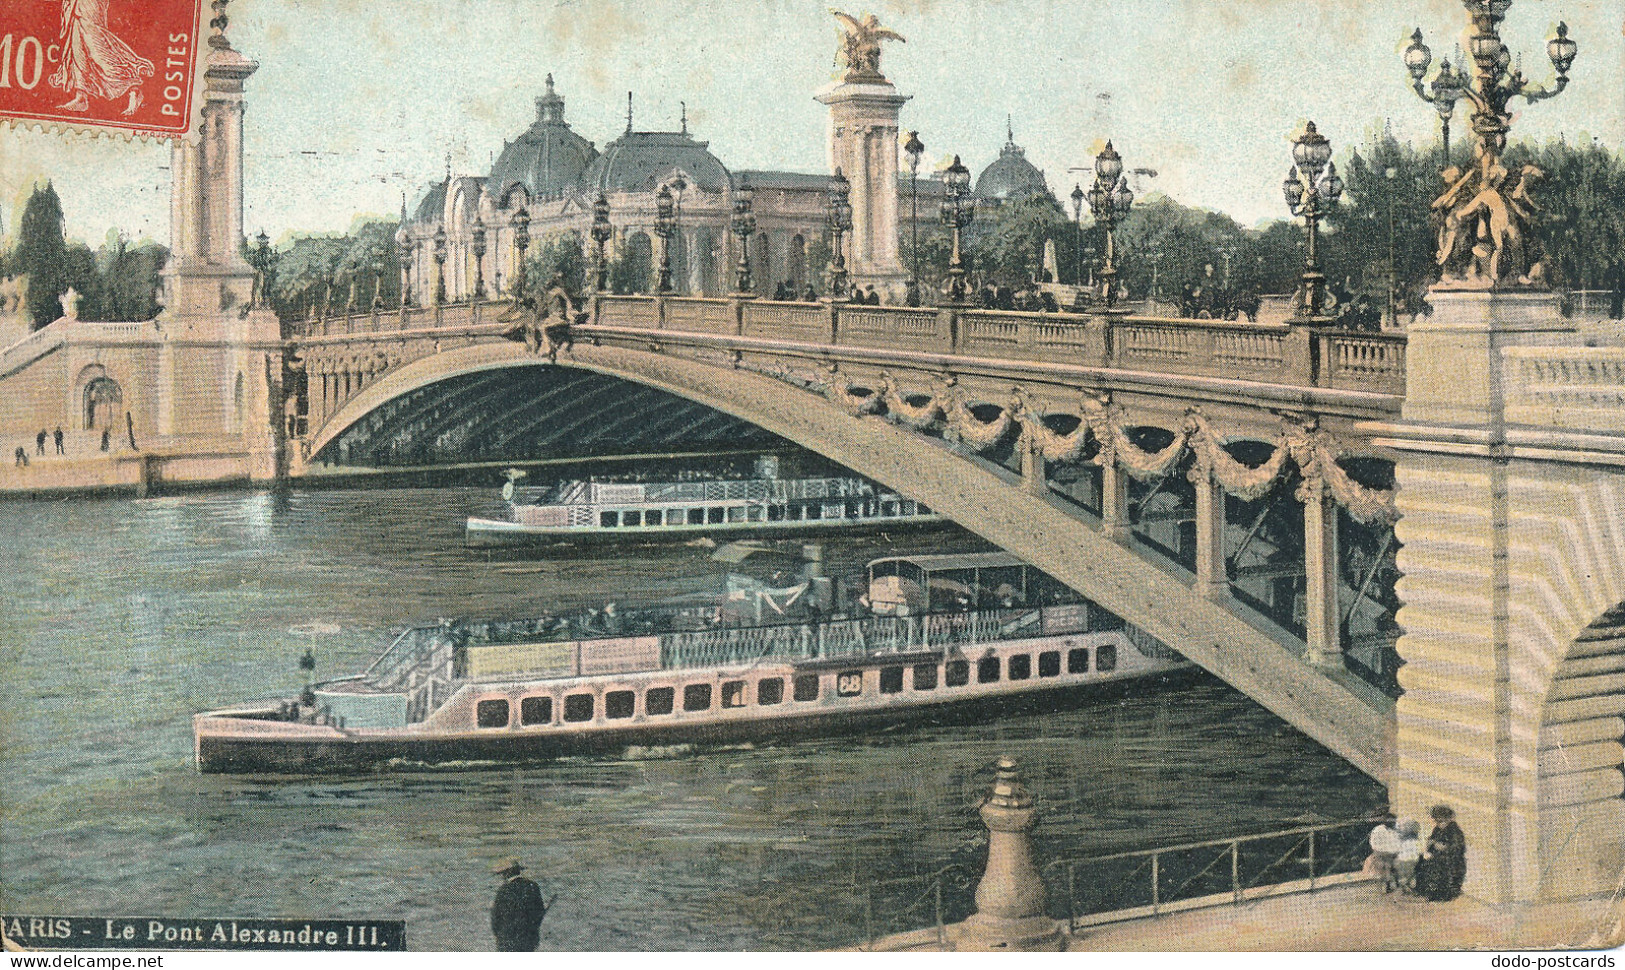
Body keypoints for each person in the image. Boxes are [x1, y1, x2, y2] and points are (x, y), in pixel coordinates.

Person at [490, 858, 547, 951]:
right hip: (528, 938)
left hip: (506, 940)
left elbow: (495, 919)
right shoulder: (532, 886)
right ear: (518, 871)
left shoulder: (503, 891)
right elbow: (539, 913)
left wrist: (500, 937)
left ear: (506, 874)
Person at [1414, 805, 1467, 901]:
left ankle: (1439, 893)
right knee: (1421, 860)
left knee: (1437, 865)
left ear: (1448, 820)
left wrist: (1444, 847)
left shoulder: (1455, 832)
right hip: (1438, 855)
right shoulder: (1437, 829)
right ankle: (1421, 889)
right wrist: (1429, 845)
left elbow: (1457, 849)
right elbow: (1432, 840)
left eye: (1441, 821)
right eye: (1437, 821)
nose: (1438, 824)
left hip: (1452, 860)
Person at [1367, 814, 1400, 892]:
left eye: (1394, 821)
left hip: (1393, 852)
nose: (1393, 823)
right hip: (1381, 852)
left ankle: (1397, 883)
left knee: (1395, 866)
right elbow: (1373, 842)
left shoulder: (1396, 830)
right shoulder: (1378, 830)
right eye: (1390, 821)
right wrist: (1378, 851)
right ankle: (1387, 885)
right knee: (1386, 868)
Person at [1394, 819, 1422, 894]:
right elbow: (1419, 850)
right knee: (1410, 874)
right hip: (1412, 860)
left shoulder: (1403, 840)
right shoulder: (1416, 840)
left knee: (1403, 874)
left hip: (1403, 860)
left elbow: (1398, 849)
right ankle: (1407, 886)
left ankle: (1405, 886)